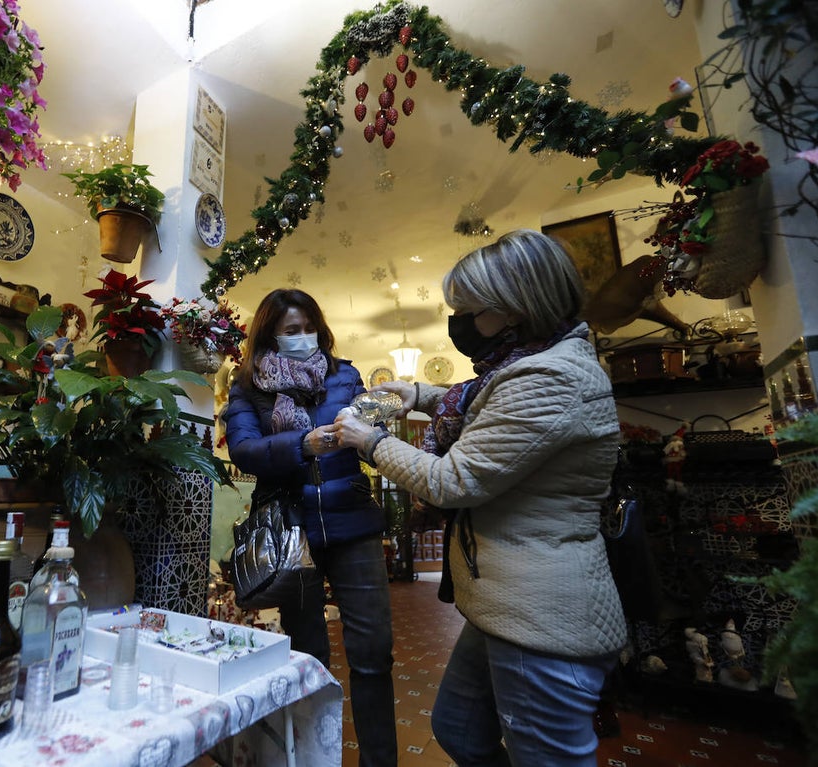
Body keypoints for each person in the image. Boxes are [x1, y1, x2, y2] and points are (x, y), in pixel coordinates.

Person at [334, 229, 627, 766]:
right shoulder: (528, 363)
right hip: (506, 605)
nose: (460, 323)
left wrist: (370, 441)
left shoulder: (553, 376)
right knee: (460, 730)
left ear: (514, 310)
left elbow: (453, 481)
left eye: (470, 310)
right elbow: (488, 403)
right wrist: (417, 394)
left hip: (542, 615)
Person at [221, 288, 397, 767]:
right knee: (308, 657)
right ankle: (312, 758)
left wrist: (378, 426)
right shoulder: (248, 387)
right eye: (291, 331)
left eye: (309, 328)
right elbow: (243, 450)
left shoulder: (345, 376)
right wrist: (302, 444)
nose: (303, 338)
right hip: (290, 533)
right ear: (271, 336)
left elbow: (370, 433)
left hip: (353, 523)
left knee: (372, 652)